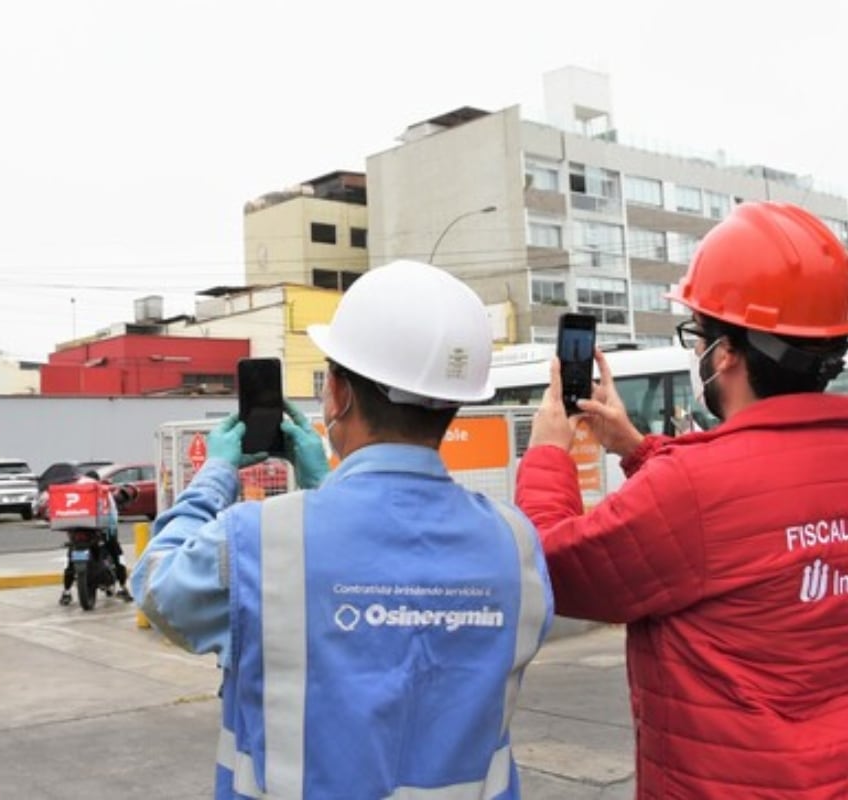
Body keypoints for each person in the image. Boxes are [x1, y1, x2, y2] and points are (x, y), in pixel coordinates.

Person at [133, 260, 554, 799]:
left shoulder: (257, 541)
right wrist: (323, 481)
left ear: (338, 395)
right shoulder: (516, 546)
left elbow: (158, 586)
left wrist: (214, 476)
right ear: (454, 402)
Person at [515, 201, 848, 799]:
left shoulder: (694, 488)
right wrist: (638, 449)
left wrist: (547, 455)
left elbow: (552, 567)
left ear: (724, 354)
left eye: (697, 332)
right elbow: (736, 533)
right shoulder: (698, 485)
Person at [59, 471, 132, 605]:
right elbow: (112, 513)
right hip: (97, 532)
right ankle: (123, 587)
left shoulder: (73, 491)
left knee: (69, 560)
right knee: (118, 555)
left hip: (75, 530)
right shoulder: (101, 491)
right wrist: (111, 529)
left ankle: (66, 592)